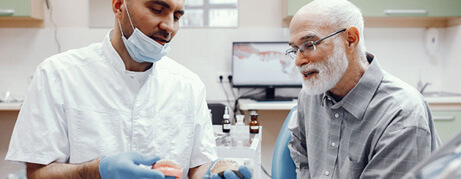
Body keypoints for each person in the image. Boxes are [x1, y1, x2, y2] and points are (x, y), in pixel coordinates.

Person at [5, 0, 251, 178]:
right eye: (157, 9)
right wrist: (94, 171)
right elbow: (37, 173)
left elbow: (198, 166)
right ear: (118, 5)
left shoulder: (188, 85)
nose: (169, 27)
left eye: (177, 16)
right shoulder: (58, 74)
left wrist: (214, 172)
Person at [286, 0, 442, 178]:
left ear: (350, 39)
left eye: (310, 45)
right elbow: (301, 153)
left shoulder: (401, 115)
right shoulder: (310, 96)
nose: (298, 61)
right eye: (295, 49)